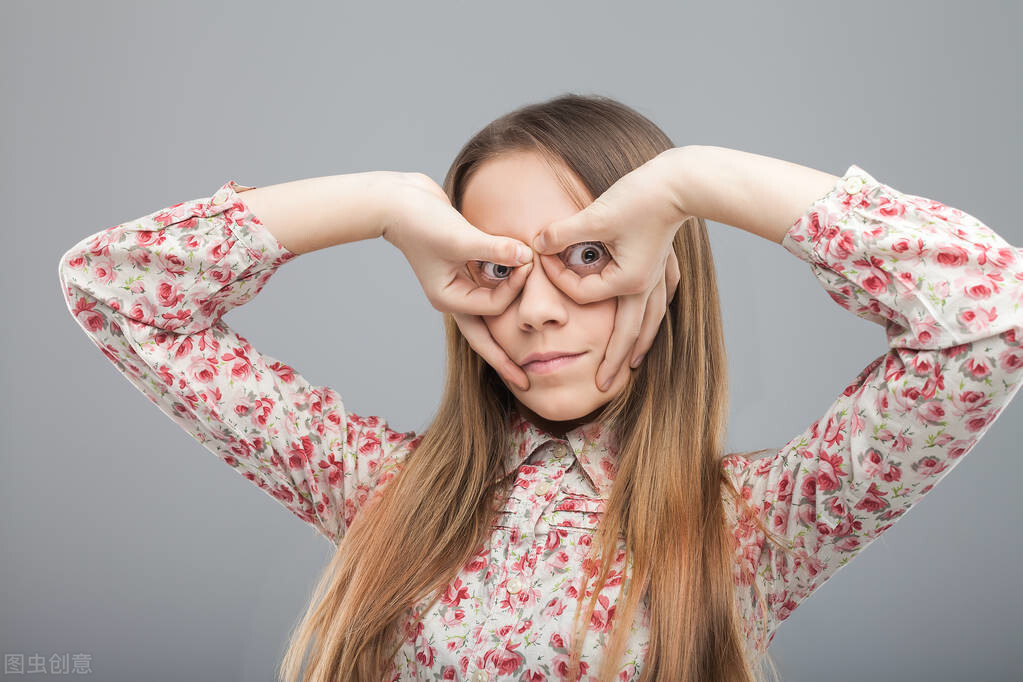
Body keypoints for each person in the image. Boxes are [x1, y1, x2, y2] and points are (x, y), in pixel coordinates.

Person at [56, 94, 1023, 682]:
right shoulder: (382, 490)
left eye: (589, 256)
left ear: (662, 272)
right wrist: (388, 203)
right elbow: (116, 292)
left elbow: (991, 313)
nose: (536, 310)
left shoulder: (754, 519)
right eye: (492, 266)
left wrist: (695, 181)